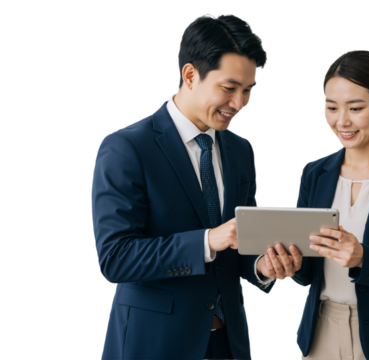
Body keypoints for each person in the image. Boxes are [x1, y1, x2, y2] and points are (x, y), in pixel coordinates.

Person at [91, 13, 275, 359]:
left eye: (248, 90)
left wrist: (263, 266)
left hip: (228, 345)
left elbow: (242, 244)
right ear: (190, 75)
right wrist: (208, 240)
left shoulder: (240, 150)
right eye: (229, 88)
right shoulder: (126, 148)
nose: (239, 103)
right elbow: (116, 258)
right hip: (155, 344)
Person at [256, 49, 369, 359]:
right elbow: (308, 274)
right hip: (322, 332)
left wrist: (362, 258)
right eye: (331, 107)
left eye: (356, 108)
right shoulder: (315, 173)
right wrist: (289, 263)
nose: (342, 121)